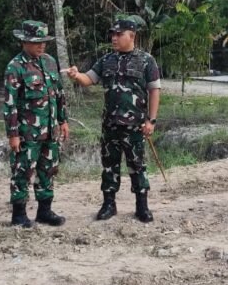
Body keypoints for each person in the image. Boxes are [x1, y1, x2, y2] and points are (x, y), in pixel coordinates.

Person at [67, 19, 161, 223]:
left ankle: (142, 206)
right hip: (110, 125)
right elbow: (89, 79)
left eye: (119, 34)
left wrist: (151, 120)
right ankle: (109, 204)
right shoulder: (106, 60)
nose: (114, 38)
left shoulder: (146, 61)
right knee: (109, 166)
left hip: (135, 126)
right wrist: (76, 75)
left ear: (132, 36)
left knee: (137, 165)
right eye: (113, 34)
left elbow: (154, 90)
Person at [4, 20, 69, 228]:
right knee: (22, 171)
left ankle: (44, 211)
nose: (41, 46)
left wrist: (63, 120)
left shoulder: (49, 62)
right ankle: (19, 215)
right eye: (36, 42)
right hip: (27, 132)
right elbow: (10, 104)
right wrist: (13, 134)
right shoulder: (15, 67)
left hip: (50, 129)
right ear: (24, 42)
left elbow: (59, 93)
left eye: (44, 42)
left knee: (48, 170)